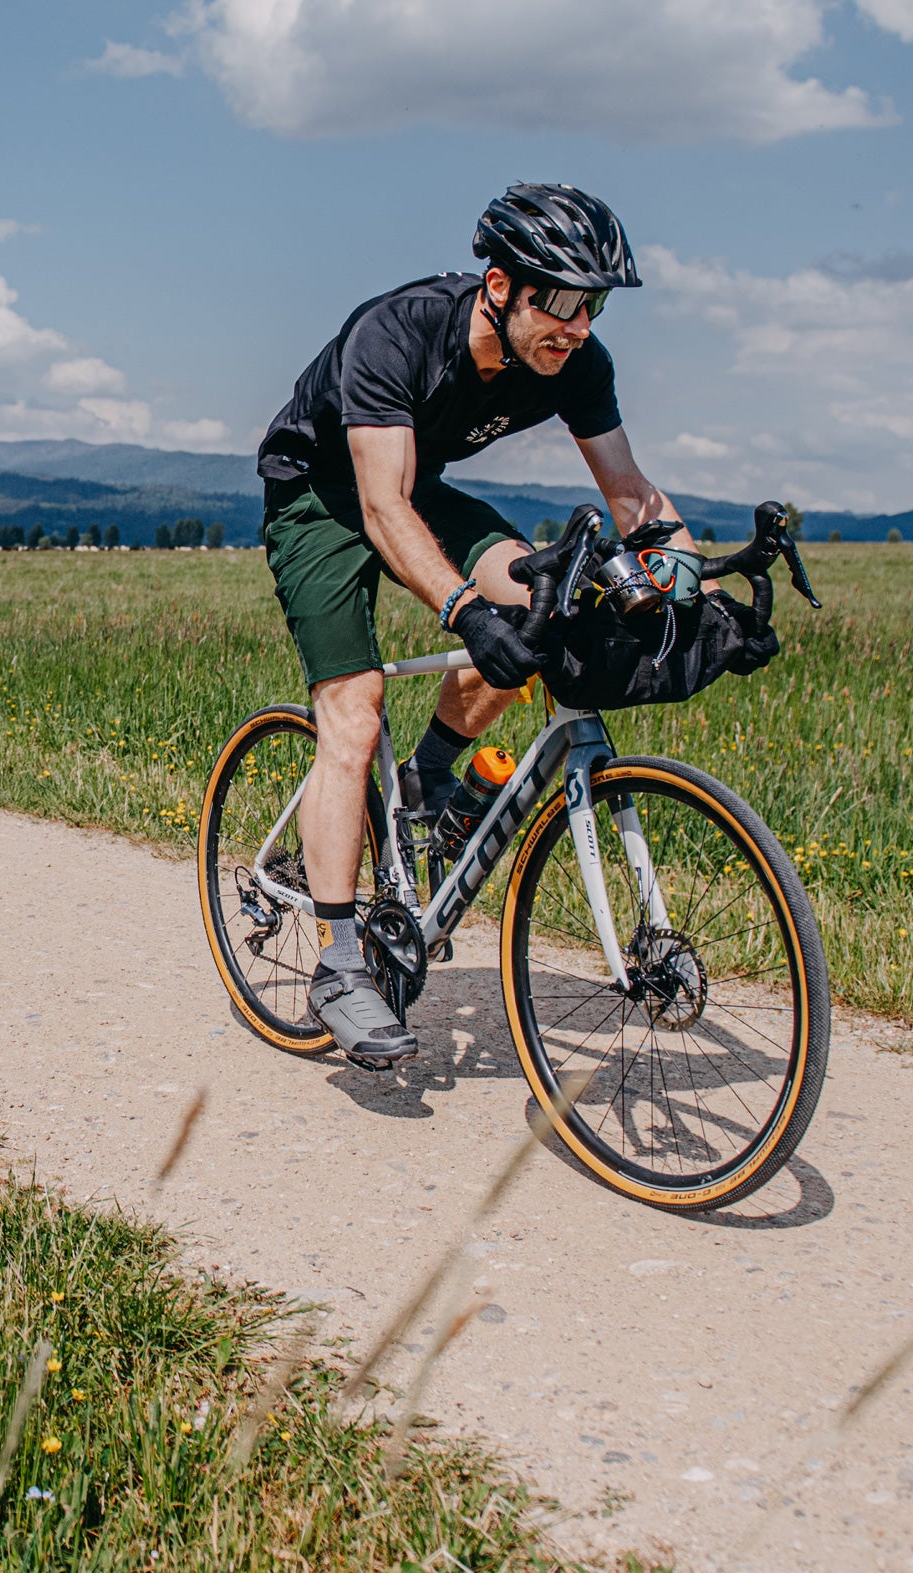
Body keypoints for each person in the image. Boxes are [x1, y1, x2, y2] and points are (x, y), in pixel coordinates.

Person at [258, 182, 709, 1068]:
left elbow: (631, 495)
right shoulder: (397, 333)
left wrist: (695, 585)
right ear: (499, 286)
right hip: (322, 493)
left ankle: (427, 782)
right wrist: (464, 613)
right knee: (355, 707)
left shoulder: (578, 361)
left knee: (540, 610)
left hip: (415, 484)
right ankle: (339, 965)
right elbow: (380, 509)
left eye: (594, 304)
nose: (577, 326)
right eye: (560, 301)